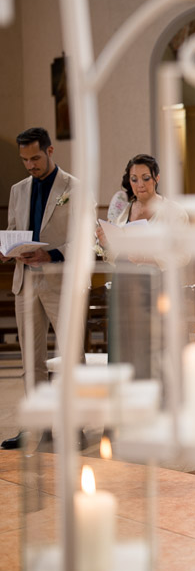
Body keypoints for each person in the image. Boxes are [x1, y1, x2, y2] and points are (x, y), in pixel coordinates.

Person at [2, 128, 78, 450]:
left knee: (70, 355)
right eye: (24, 160)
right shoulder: (18, 190)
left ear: (50, 151)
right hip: (25, 281)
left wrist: (52, 254)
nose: (30, 165)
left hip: (60, 280)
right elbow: (13, 230)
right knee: (31, 358)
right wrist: (7, 249)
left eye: (35, 157)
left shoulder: (74, 188)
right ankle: (37, 427)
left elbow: (85, 239)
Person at [97, 154, 186, 380]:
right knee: (124, 346)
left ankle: (160, 392)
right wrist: (107, 243)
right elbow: (113, 256)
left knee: (155, 346)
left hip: (157, 285)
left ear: (156, 178)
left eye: (146, 178)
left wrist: (150, 258)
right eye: (134, 179)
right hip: (124, 284)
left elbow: (183, 255)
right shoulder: (124, 211)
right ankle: (126, 392)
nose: (140, 184)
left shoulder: (174, 212)